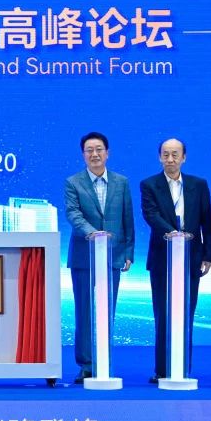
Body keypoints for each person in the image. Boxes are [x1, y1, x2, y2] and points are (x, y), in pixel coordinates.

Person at [139, 138, 211, 383]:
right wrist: (173, 234)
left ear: (184, 157)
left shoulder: (198, 185)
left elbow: (207, 221)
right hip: (162, 257)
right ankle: (162, 369)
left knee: (186, 313)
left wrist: (208, 255)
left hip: (192, 258)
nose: (170, 159)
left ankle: (183, 366)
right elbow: (151, 215)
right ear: (159, 157)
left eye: (175, 154)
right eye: (165, 154)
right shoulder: (149, 184)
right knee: (162, 314)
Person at [64, 132, 135, 384]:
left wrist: (128, 251)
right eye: (89, 150)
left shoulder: (121, 182)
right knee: (84, 312)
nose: (94, 154)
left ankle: (104, 361)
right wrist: (92, 233)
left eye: (99, 149)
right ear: (83, 154)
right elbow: (73, 214)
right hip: (84, 257)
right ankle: (86, 365)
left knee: (108, 311)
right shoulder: (73, 182)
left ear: (107, 153)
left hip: (113, 256)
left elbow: (127, 218)